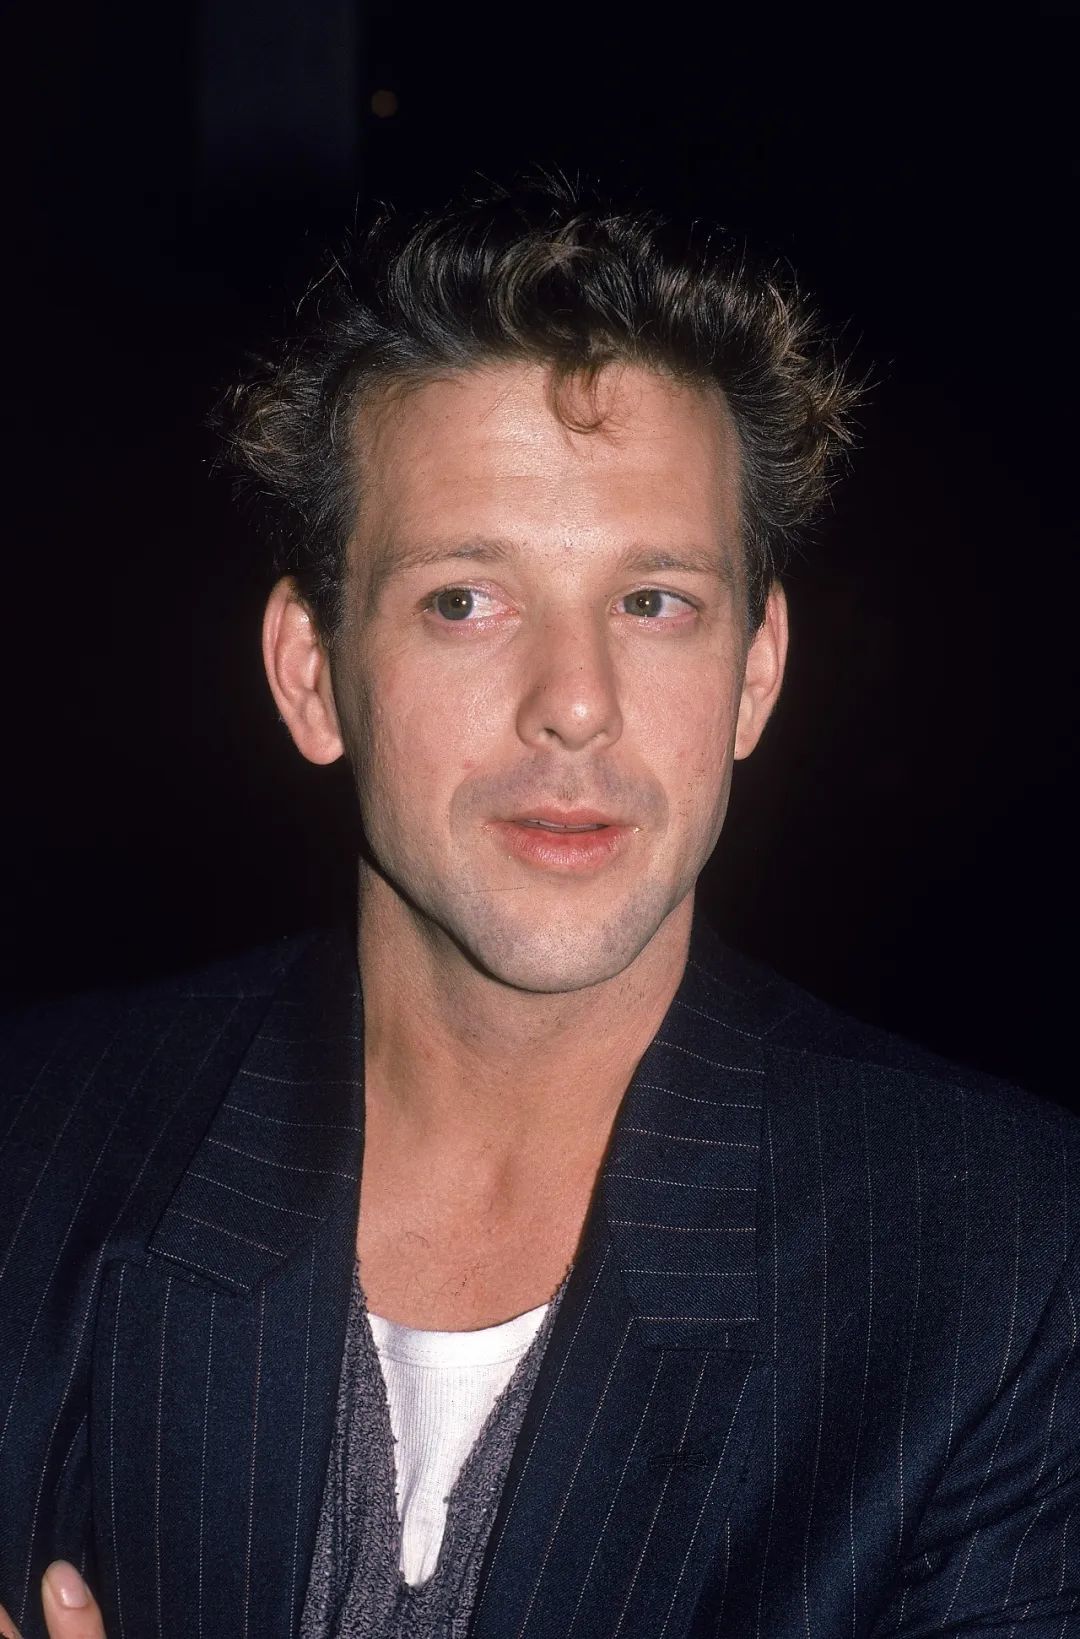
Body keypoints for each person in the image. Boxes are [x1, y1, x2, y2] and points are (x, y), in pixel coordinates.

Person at [1, 175, 1077, 1639]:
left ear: (754, 675)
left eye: (654, 602)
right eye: (466, 600)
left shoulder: (1005, 1266)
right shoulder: (32, 1155)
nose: (576, 703)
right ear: (313, 674)